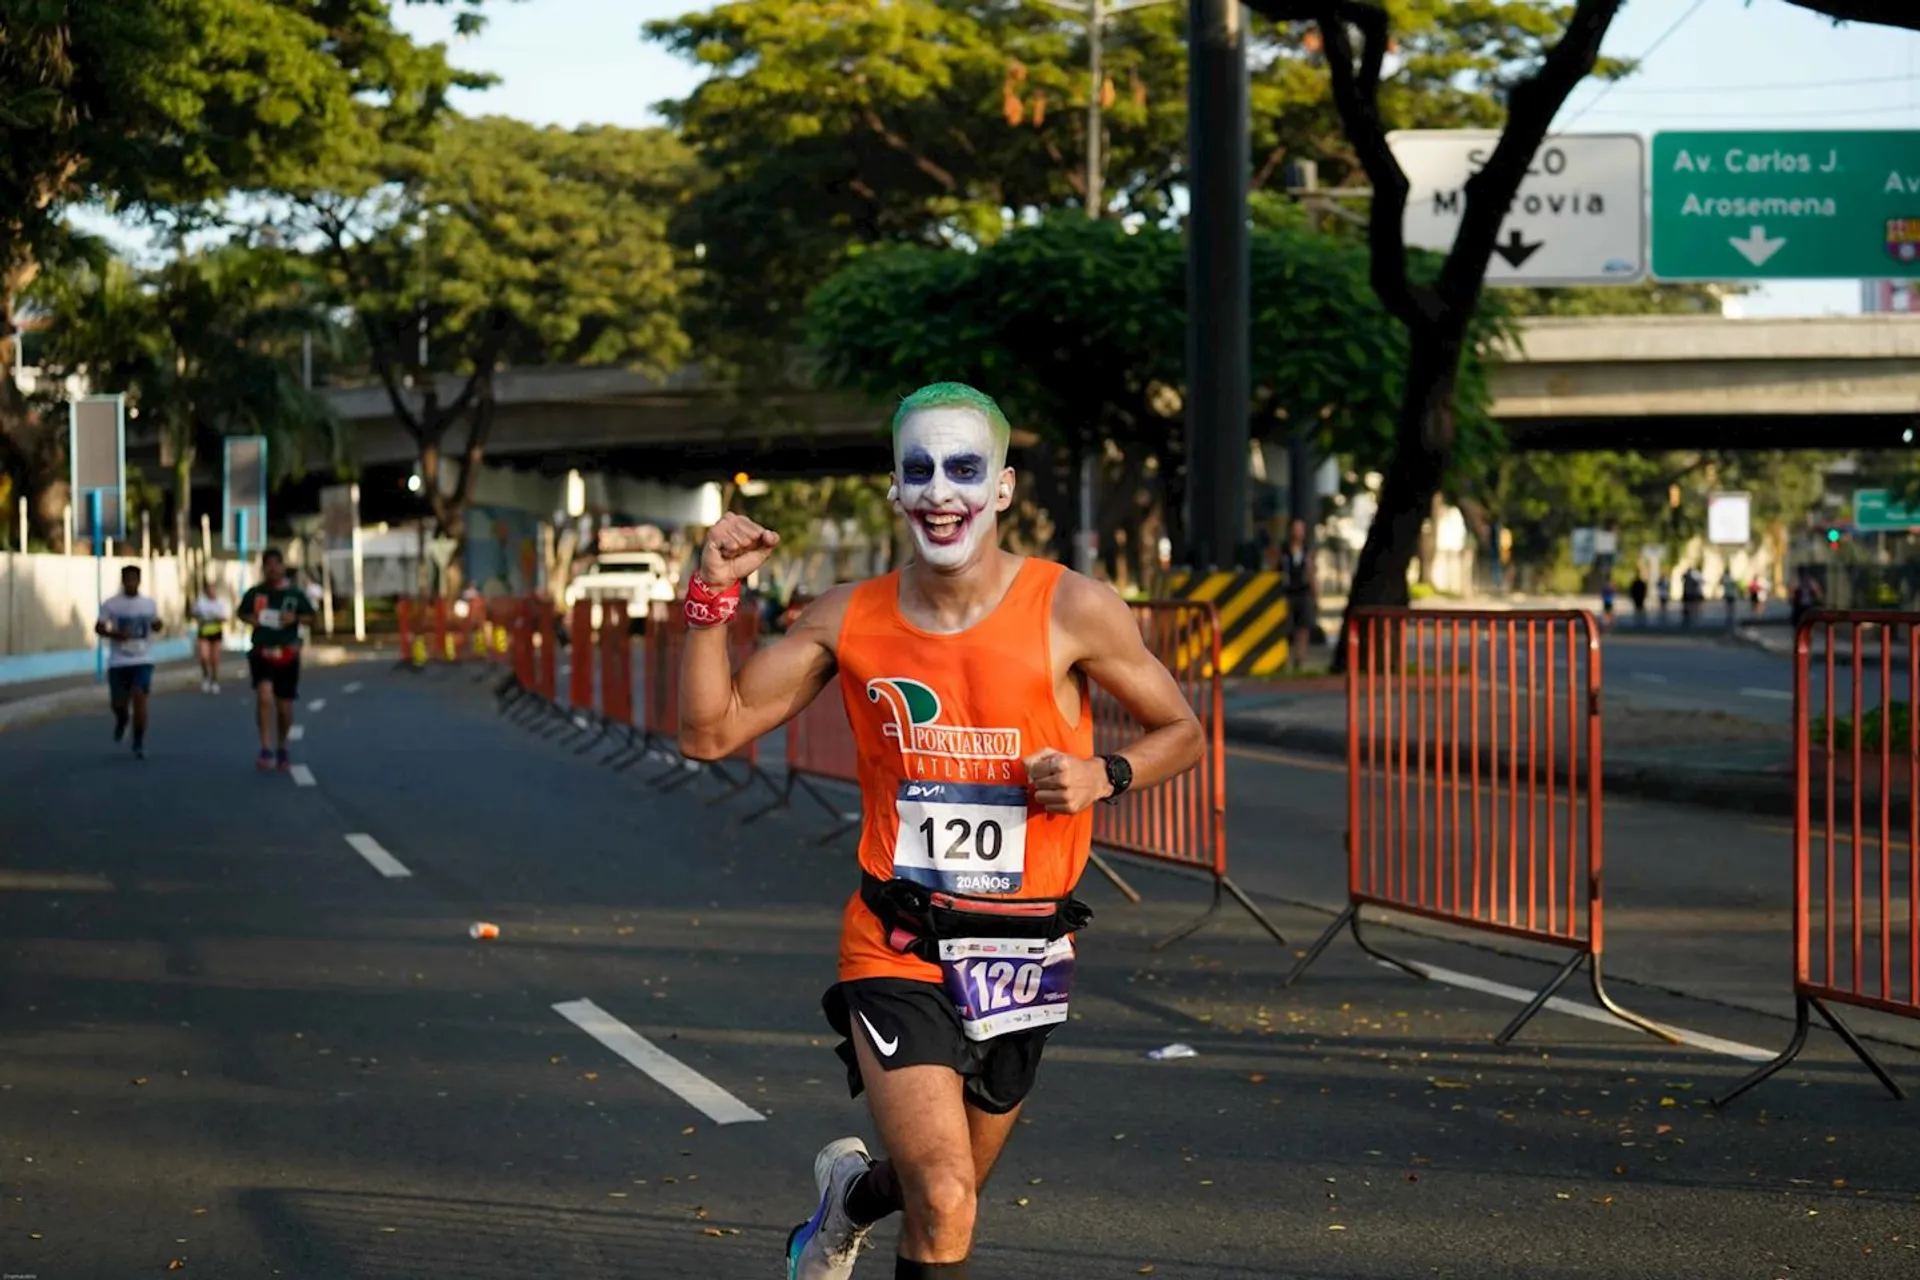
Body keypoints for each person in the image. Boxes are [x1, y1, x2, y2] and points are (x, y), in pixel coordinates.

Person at [677, 382, 1205, 1280]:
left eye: (964, 470)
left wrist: (1101, 775)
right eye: (918, 471)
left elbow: (1181, 730)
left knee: (941, 1190)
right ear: (894, 488)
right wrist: (709, 595)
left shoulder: (1071, 608)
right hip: (899, 941)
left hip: (1024, 951)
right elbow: (710, 730)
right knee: (950, 1199)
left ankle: (849, 1199)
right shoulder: (849, 616)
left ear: (1002, 488)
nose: (940, 492)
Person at [239, 547, 319, 771]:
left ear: (283, 566)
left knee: (284, 706)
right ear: (263, 568)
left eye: (276, 563)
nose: (272, 568)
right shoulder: (256, 593)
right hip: (262, 651)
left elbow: (312, 617)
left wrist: (294, 618)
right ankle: (265, 747)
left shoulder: (294, 594)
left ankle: (282, 745)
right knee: (264, 697)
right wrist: (251, 619)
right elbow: (242, 612)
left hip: (287, 653)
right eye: (268, 564)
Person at [96, 564, 163, 759]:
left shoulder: (148, 604)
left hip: (143, 659)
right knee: (118, 704)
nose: (131, 583)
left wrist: (158, 625)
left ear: (139, 581)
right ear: (122, 580)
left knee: (139, 696)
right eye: (127, 579)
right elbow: (99, 627)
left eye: (134, 579)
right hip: (118, 661)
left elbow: (156, 623)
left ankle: (138, 742)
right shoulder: (111, 604)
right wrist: (115, 633)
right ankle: (122, 719)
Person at [1279, 518, 1316, 671]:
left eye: (1300, 529)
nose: (1297, 532)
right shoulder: (1284, 550)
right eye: (1295, 529)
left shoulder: (1307, 551)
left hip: (1304, 591)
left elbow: (1312, 573)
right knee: (1288, 626)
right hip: (1288, 592)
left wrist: (1315, 596)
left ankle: (1300, 658)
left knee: (1304, 626)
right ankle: (1286, 658)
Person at [191, 579, 230, 692]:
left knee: (215, 658)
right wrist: (199, 617)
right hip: (204, 632)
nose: (211, 592)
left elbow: (224, 618)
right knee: (204, 656)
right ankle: (206, 676)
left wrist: (216, 617)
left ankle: (215, 680)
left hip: (216, 632)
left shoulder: (220, 603)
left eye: (213, 589)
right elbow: (193, 613)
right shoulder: (200, 602)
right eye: (209, 589)